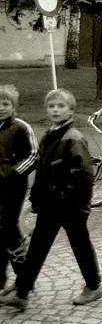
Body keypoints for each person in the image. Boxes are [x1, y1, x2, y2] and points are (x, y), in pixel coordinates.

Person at [0, 89, 102, 311]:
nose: (55, 110)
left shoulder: (73, 138)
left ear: (71, 110)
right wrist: (36, 198)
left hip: (71, 207)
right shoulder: (49, 136)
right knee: (37, 246)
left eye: (61, 106)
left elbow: (83, 178)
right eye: (51, 106)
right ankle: (22, 291)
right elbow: (43, 171)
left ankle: (94, 286)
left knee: (80, 245)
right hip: (51, 205)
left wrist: (65, 199)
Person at [0, 85, 38, 297]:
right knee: (3, 232)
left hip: (14, 186)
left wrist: (14, 173)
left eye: (6, 104)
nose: (1, 108)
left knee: (9, 229)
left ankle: (24, 279)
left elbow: (33, 155)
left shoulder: (21, 127)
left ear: (14, 106)